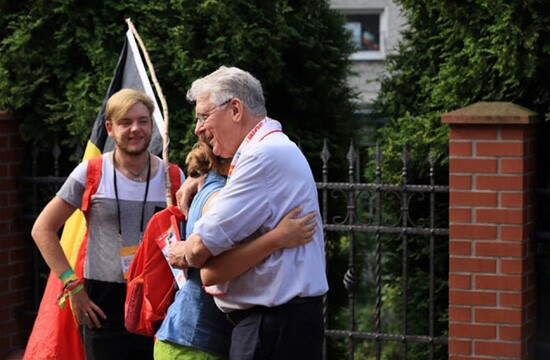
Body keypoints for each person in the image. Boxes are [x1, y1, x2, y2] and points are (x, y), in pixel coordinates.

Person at [169, 66, 329, 359]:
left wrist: (188, 247)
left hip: (271, 327)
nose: (198, 129)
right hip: (279, 324)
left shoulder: (261, 155)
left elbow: (197, 251)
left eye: (204, 116)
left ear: (235, 109)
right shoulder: (271, 149)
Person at [31, 88, 184, 360]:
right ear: (110, 129)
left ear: (153, 125)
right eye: (126, 122)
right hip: (102, 303)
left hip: (157, 303)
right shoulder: (91, 172)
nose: (135, 129)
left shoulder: (172, 176)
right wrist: (72, 286)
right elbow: (42, 229)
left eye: (143, 121)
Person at [155, 141, 317, 359]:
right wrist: (278, 238)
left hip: (193, 338)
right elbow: (210, 273)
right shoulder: (221, 198)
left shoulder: (211, 186)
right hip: (196, 342)